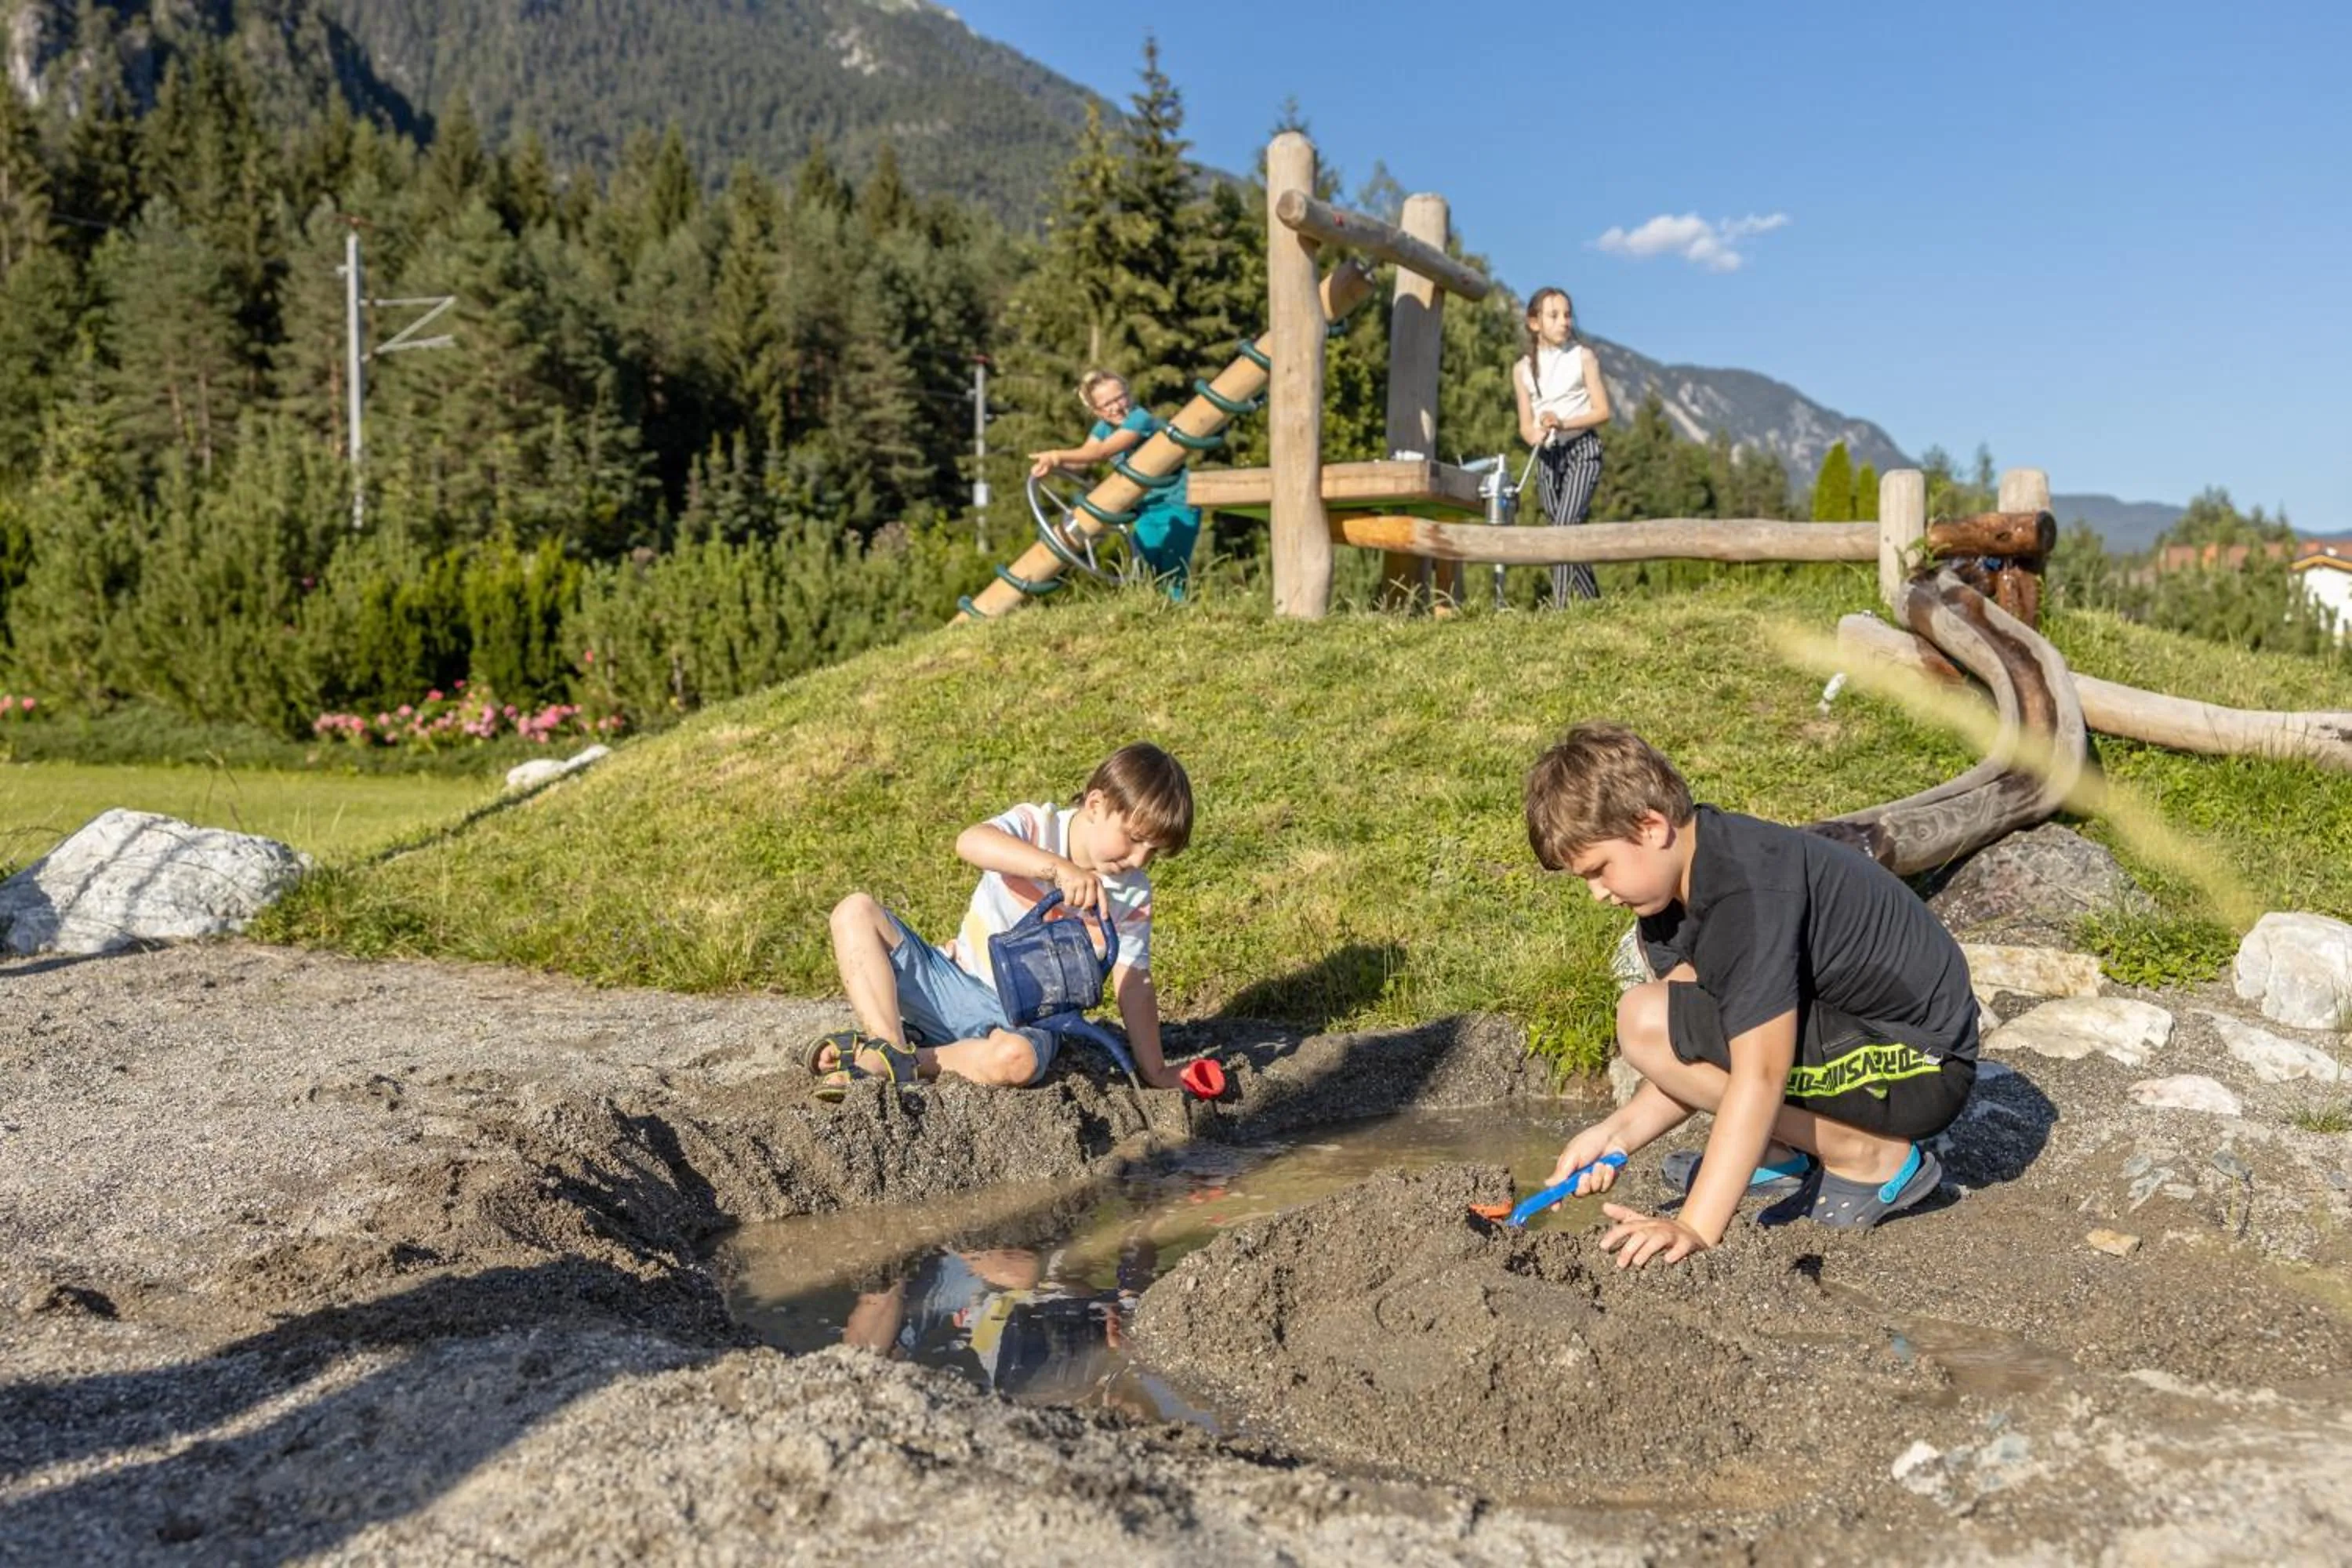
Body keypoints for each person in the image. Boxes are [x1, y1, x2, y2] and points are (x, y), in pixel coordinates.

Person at [1524, 722, 1977, 1269]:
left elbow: (1758, 1073)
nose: (1597, 894)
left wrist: (1694, 1224)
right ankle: (1786, 1150)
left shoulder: (1746, 892)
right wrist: (1615, 1134)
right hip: (1854, 1039)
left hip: (1919, 1065)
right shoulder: (1673, 892)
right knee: (1653, 1018)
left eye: (1599, 871)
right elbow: (1687, 1049)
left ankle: (1867, 1155)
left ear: (1650, 826)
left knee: (1644, 1017)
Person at [808, 741, 1192, 1098]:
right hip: (952, 985)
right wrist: (1056, 869)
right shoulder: (1036, 827)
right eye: (1134, 839)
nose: (1140, 860)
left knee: (1017, 1060)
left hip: (1028, 1024)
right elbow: (970, 842)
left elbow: (1134, 982)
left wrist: (1156, 1071)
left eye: (1154, 851)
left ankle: (900, 1062)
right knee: (854, 910)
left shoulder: (1132, 892)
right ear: (1095, 805)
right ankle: (888, 1044)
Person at [1028, 370, 1201, 600]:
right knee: (1146, 572)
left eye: (1120, 398)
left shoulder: (1139, 418)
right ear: (1096, 411)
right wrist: (1053, 466)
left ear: (1129, 395)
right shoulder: (1103, 428)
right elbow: (1084, 460)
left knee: (1173, 572)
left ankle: (1182, 621)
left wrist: (1058, 455)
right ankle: (1155, 620)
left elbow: (1104, 451)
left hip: (1176, 504)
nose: (1117, 407)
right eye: (1106, 404)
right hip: (1145, 510)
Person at [1512, 288, 1612, 608]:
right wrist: (1536, 434)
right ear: (1534, 323)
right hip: (1548, 456)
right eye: (1554, 315)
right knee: (1561, 528)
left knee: (1564, 528)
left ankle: (1559, 609)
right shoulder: (1522, 369)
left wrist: (1563, 423)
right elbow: (1525, 426)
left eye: (1567, 315)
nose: (1563, 322)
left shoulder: (1583, 357)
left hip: (1582, 449)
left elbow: (1603, 412)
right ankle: (1594, 605)